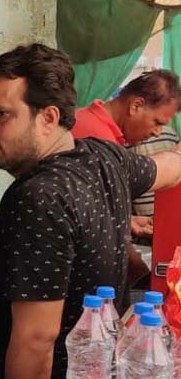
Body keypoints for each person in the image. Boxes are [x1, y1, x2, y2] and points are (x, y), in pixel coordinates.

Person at [0, 43, 181, 379]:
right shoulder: (104, 157)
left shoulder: (38, 198)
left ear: (48, 118)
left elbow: (36, 340)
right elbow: (170, 167)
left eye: (1, 114)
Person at [71, 70, 181, 278]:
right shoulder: (101, 142)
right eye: (157, 122)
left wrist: (128, 219)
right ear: (136, 105)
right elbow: (109, 234)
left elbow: (89, 206)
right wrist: (141, 274)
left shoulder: (88, 119)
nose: (157, 132)